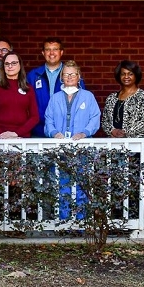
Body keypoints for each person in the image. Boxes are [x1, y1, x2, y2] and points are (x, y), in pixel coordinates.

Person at [44, 60, 100, 220]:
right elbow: (48, 119)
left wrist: (84, 133)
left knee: (81, 185)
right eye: (66, 74)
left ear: (79, 76)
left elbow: (95, 118)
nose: (69, 77)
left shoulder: (88, 97)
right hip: (60, 150)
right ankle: (64, 221)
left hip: (81, 149)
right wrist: (54, 133)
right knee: (62, 186)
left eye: (72, 74)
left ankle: (80, 222)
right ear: (61, 77)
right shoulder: (55, 98)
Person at [27, 38, 84, 137]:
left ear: (61, 52)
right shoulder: (33, 76)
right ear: (43, 52)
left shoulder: (73, 75)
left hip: (67, 131)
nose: (51, 53)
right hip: (39, 129)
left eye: (55, 49)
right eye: (48, 49)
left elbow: (82, 102)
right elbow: (26, 104)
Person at [0, 52, 39, 139]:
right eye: (7, 64)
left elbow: (35, 117)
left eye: (14, 63)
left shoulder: (28, 88)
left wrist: (17, 133)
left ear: (20, 65)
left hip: (21, 137)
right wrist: (0, 133)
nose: (10, 66)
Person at [101, 60, 144, 139]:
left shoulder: (143, 96)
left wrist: (125, 133)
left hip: (136, 144)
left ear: (136, 76)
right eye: (123, 74)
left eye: (130, 74)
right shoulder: (111, 98)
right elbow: (104, 121)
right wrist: (113, 131)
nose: (126, 77)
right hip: (114, 144)